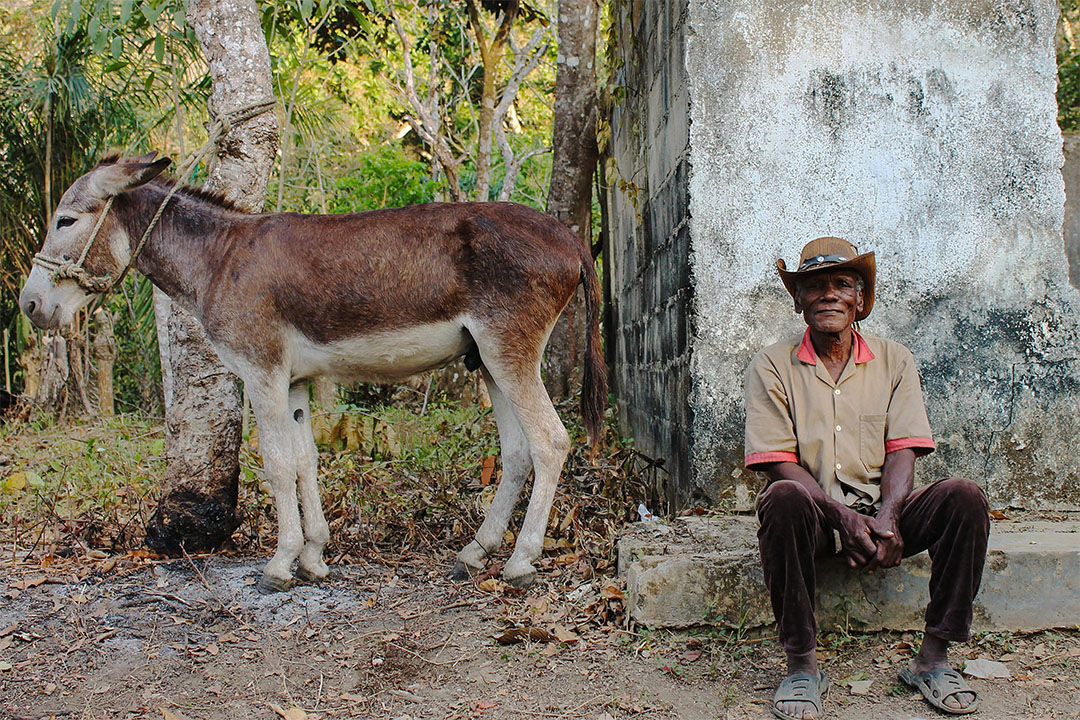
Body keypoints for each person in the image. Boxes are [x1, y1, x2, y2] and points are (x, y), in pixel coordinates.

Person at [743, 237, 990, 719]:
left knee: (964, 497)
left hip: (881, 515)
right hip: (815, 516)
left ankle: (933, 658)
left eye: (841, 285)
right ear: (798, 301)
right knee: (783, 496)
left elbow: (904, 449)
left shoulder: (893, 359)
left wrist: (887, 516)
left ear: (861, 300)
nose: (828, 294)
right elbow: (778, 460)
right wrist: (841, 518)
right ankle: (802, 667)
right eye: (814, 286)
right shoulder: (772, 363)